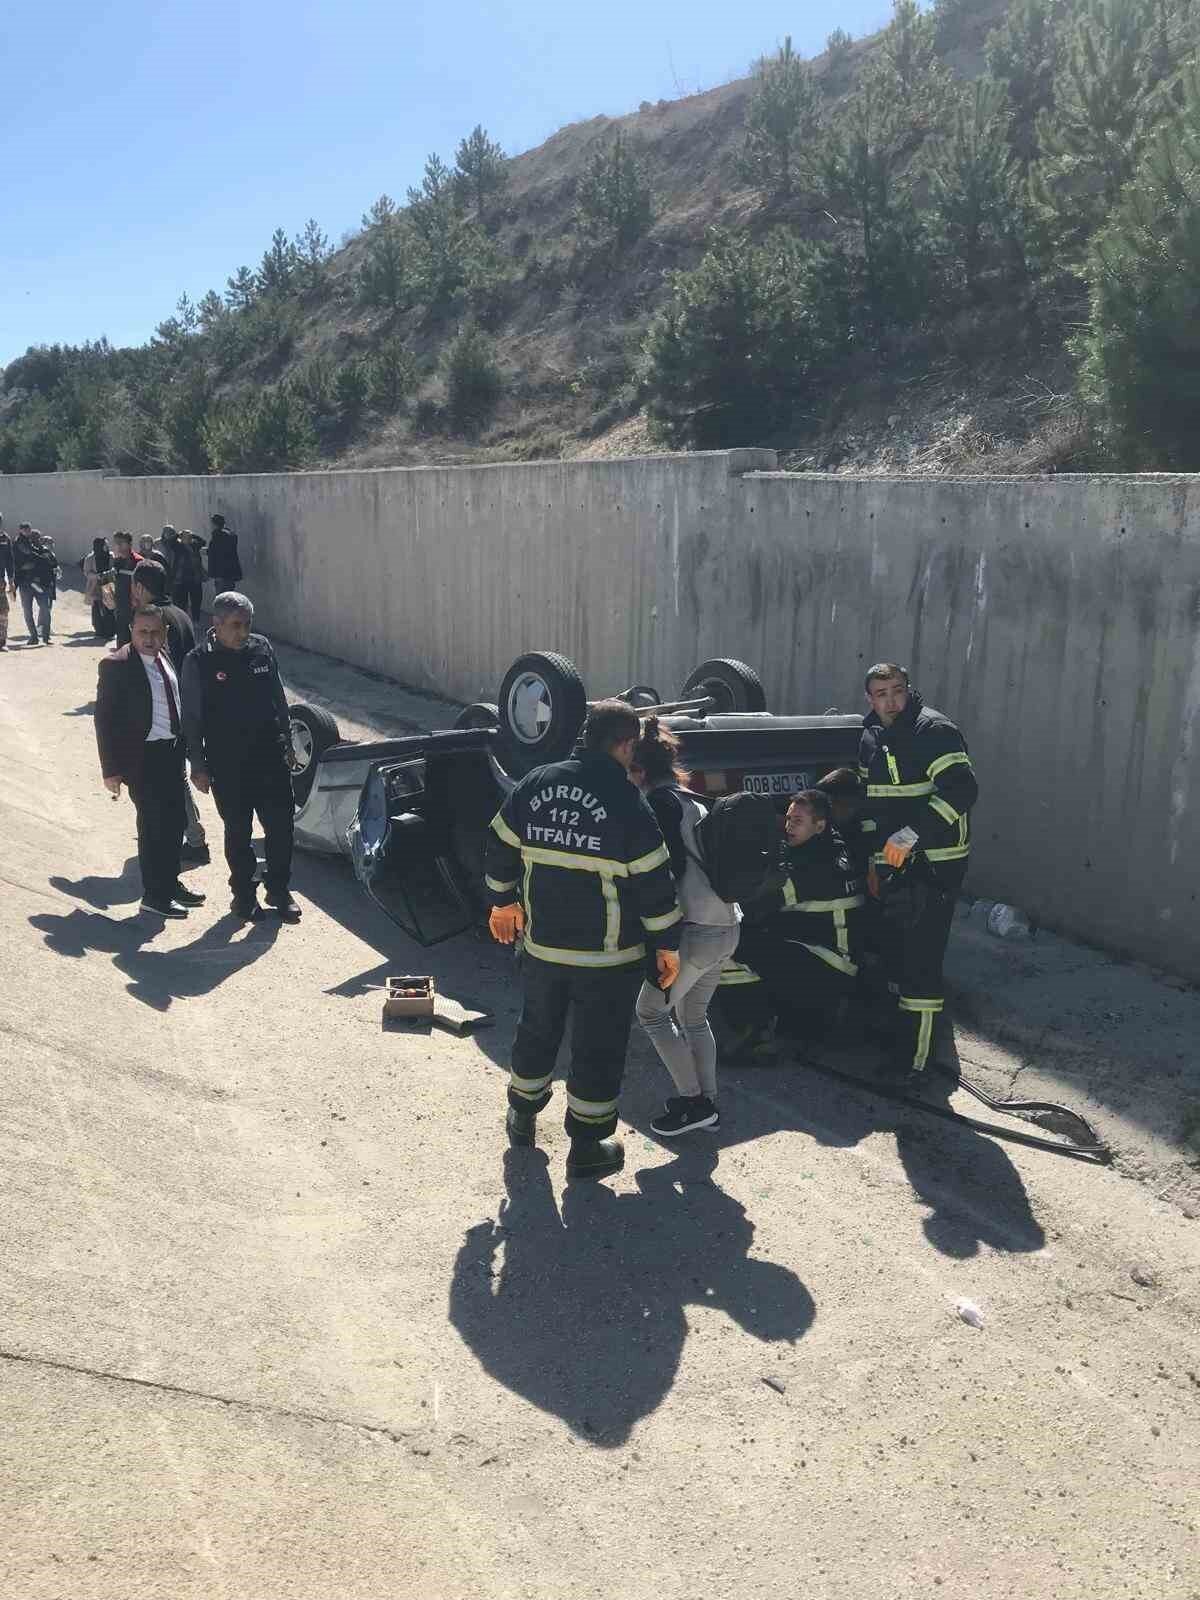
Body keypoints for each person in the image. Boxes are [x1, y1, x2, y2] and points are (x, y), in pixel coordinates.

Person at [484, 700, 682, 1180]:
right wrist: (667, 944)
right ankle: (589, 1147)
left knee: (537, 1028)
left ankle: (522, 1117)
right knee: (597, 1046)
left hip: (542, 947)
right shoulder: (626, 801)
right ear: (626, 744)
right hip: (606, 957)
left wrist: (503, 901)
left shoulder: (538, 782)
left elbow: (499, 843)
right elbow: (655, 883)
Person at [858, 662, 979, 1080]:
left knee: (921, 961)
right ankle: (902, 1042)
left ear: (908, 690)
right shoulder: (870, 736)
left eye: (897, 691)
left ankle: (916, 1065)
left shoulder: (935, 731)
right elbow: (873, 807)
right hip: (897, 864)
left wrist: (910, 836)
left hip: (937, 862)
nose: (891, 701)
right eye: (881, 694)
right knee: (898, 956)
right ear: (870, 699)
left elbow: (963, 790)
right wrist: (877, 862)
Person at [629, 716, 741, 1137]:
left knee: (651, 1013)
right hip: (727, 927)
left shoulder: (658, 804)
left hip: (694, 932)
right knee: (694, 1017)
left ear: (639, 771)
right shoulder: (693, 799)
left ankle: (694, 1103)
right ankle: (707, 1102)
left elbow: (668, 872)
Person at [181, 591, 300, 923]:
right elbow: (191, 717)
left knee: (281, 826)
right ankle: (244, 896)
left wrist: (288, 744)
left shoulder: (261, 648)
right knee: (238, 830)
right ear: (217, 624)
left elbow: (278, 697)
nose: (243, 632)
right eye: (236, 625)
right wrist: (198, 765)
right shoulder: (198, 661)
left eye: (247, 624)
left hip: (270, 757)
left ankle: (278, 889)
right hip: (228, 762)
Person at [93, 606, 206, 919]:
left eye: (155, 632)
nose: (149, 638)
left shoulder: (164, 656)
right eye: (143, 631)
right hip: (143, 759)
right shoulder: (116, 665)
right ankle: (155, 896)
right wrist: (110, 770)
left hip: (170, 754)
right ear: (131, 630)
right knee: (154, 827)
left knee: (173, 825)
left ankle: (169, 884)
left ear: (165, 633)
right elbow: (104, 720)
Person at [735, 789, 865, 1045]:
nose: (788, 827)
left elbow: (757, 908)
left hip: (830, 969)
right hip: (828, 960)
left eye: (797, 821)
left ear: (820, 826)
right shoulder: (828, 848)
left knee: (735, 940)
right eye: (788, 819)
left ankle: (754, 1029)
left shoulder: (814, 865)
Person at [124, 559, 209, 863]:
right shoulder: (181, 614)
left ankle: (194, 840)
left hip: (169, 713)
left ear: (141, 587)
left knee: (172, 778)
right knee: (178, 776)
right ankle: (193, 834)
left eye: (135, 585)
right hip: (188, 705)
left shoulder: (153, 619)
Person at [13, 525, 59, 646]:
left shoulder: (44, 552)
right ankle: (34, 636)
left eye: (37, 538)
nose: (35, 540)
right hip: (25, 584)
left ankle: (46, 636)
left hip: (40, 585)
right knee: (27, 611)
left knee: (45, 609)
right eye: (33, 538)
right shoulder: (20, 549)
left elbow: (52, 565)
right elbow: (16, 565)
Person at [110, 531, 142, 647]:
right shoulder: (117, 562)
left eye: (121, 543)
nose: (118, 546)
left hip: (135, 608)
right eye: (116, 543)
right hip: (121, 607)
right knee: (122, 638)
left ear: (129, 544)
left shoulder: (139, 562)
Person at [82, 536, 116, 639]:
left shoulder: (111, 556)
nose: (107, 546)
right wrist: (97, 576)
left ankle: (110, 631)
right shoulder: (90, 558)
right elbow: (87, 572)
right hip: (95, 585)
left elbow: (115, 567)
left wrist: (108, 573)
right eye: (105, 544)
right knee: (96, 608)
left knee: (109, 607)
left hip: (108, 584)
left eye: (107, 544)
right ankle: (99, 630)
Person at [205, 514, 242, 593]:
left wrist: (207, 551)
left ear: (214, 524)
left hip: (221, 572)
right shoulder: (231, 534)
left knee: (221, 598)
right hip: (231, 572)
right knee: (230, 596)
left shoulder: (218, 535)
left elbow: (217, 552)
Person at [180, 530, 206, 624]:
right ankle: (184, 620)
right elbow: (170, 542)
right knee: (183, 602)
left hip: (195, 578)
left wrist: (193, 535)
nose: (188, 539)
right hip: (183, 579)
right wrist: (179, 534)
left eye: (189, 537)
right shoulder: (178, 546)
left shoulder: (195, 545)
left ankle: (196, 619)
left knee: (196, 601)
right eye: (185, 537)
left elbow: (203, 542)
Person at [0, 515, 13, 651]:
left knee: (3, 611)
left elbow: (10, 561)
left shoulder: (4, 539)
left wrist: (11, 580)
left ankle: (1, 642)